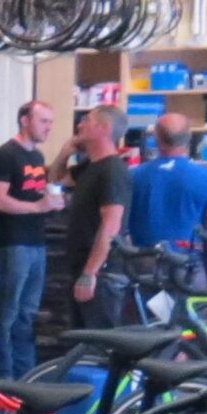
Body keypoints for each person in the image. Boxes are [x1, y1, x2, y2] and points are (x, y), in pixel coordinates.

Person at [0, 99, 61, 376]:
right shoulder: (6, 154)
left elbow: (30, 194)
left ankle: (25, 380)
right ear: (25, 121)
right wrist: (38, 206)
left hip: (35, 242)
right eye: (43, 121)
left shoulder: (37, 158)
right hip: (12, 243)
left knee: (27, 315)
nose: (48, 127)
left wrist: (48, 201)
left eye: (50, 122)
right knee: (6, 315)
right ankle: (3, 381)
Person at [128, 110, 207, 289]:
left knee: (144, 317)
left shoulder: (134, 176)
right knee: (191, 316)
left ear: (157, 138)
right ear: (190, 137)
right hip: (191, 263)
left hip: (143, 263)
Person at [60, 105, 132, 326]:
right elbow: (56, 180)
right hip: (82, 265)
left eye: (87, 121)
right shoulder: (91, 167)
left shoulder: (112, 170)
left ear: (104, 128)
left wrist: (90, 273)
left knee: (98, 343)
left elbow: (110, 225)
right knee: (81, 341)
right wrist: (64, 153)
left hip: (101, 273)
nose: (80, 125)